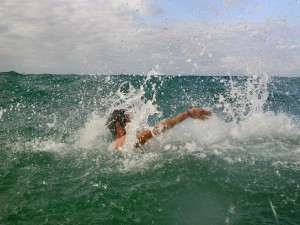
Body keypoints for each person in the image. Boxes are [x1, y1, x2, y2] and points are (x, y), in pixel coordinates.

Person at [106, 108, 212, 150]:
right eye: (129, 120)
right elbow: (155, 130)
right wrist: (187, 114)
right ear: (118, 126)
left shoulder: (113, 145)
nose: (133, 123)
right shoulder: (122, 142)